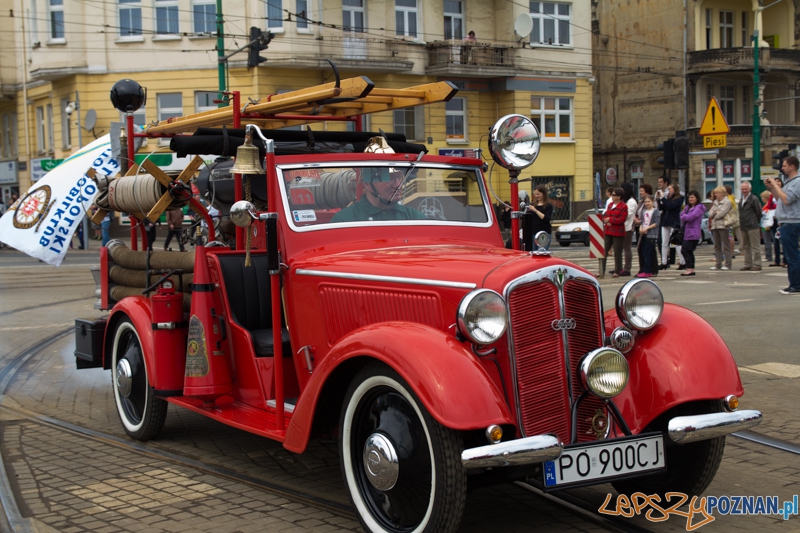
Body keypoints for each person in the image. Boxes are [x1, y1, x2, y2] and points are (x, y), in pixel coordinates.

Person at [332, 167, 425, 223]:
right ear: (367, 184)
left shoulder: (414, 217)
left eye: (399, 177)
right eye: (389, 178)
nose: (398, 184)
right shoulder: (344, 220)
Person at [765, 156, 800, 294]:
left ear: (792, 166)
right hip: (786, 221)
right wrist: (773, 188)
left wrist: (775, 186)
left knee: (792, 254)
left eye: (784, 166)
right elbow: (779, 198)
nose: (782, 168)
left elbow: (787, 200)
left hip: (792, 221)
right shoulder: (789, 182)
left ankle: (796, 285)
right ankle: (794, 283)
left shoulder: (797, 182)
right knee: (790, 253)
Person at [600, 187, 627, 278]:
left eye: (614, 195)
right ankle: (601, 270)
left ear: (619, 197)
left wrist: (610, 220)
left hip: (618, 232)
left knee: (617, 252)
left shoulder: (623, 206)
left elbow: (622, 219)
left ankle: (617, 270)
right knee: (604, 250)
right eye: (612, 194)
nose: (612, 196)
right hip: (608, 230)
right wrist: (606, 221)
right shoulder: (610, 205)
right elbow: (606, 215)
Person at [657, 182, 684, 270]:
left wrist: (663, 198)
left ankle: (683, 262)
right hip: (665, 221)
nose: (669, 191)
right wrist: (658, 199)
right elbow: (661, 208)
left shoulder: (679, 198)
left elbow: (670, 206)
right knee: (664, 243)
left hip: (674, 222)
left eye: (670, 189)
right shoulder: (667, 198)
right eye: (668, 189)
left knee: (676, 243)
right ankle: (664, 262)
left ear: (675, 190)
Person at [678, 190, 705, 276]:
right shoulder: (687, 207)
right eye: (689, 197)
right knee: (687, 251)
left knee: (686, 250)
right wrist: (684, 216)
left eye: (693, 197)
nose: (691, 199)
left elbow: (690, 217)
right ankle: (690, 268)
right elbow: (681, 215)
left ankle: (690, 268)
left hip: (693, 232)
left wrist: (684, 216)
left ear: (697, 198)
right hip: (685, 231)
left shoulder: (699, 207)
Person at [737, 181, 762, 271]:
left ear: (750, 189)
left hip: (752, 225)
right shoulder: (741, 200)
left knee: (755, 246)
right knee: (746, 246)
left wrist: (755, 221)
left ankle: (757, 264)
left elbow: (758, 212)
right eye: (743, 189)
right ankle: (748, 264)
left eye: (746, 189)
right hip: (744, 226)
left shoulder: (753, 198)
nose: (744, 190)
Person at [707, 186, 733, 270]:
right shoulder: (715, 202)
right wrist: (715, 212)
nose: (715, 194)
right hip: (715, 225)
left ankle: (728, 264)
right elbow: (709, 214)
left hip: (723, 225)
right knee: (717, 246)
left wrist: (715, 213)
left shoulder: (727, 202)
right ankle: (718, 264)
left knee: (726, 245)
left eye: (717, 193)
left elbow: (722, 213)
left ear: (722, 193)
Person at [634, 184, 657, 277]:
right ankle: (643, 269)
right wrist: (639, 225)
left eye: (642, 191)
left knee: (649, 251)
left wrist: (645, 227)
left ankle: (650, 270)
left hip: (650, 231)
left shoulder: (654, 208)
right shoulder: (641, 203)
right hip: (641, 229)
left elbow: (656, 221)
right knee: (642, 250)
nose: (640, 192)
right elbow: (640, 216)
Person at [522, 185, 553, 250]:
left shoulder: (548, 206)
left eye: (538, 194)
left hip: (544, 233)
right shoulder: (533, 204)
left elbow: (546, 218)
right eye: (535, 194)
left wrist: (535, 210)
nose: (536, 196)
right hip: (534, 232)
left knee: (541, 252)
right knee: (534, 252)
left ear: (543, 194)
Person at [620, 182, 637, 276]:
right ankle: (619, 267)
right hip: (620, 227)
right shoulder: (623, 200)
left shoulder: (631, 201)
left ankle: (627, 268)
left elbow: (628, 214)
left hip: (627, 227)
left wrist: (619, 216)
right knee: (620, 248)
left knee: (627, 248)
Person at [725, 184, 741, 256]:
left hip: (730, 222)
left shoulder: (728, 201)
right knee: (735, 237)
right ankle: (733, 252)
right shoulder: (734, 199)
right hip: (736, 221)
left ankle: (731, 253)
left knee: (730, 237)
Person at [760, 190, 775, 265]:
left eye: (763, 197)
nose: (762, 199)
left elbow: (765, 214)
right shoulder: (766, 205)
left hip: (765, 224)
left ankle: (768, 256)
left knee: (767, 241)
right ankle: (768, 255)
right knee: (767, 241)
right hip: (764, 224)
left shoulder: (767, 206)